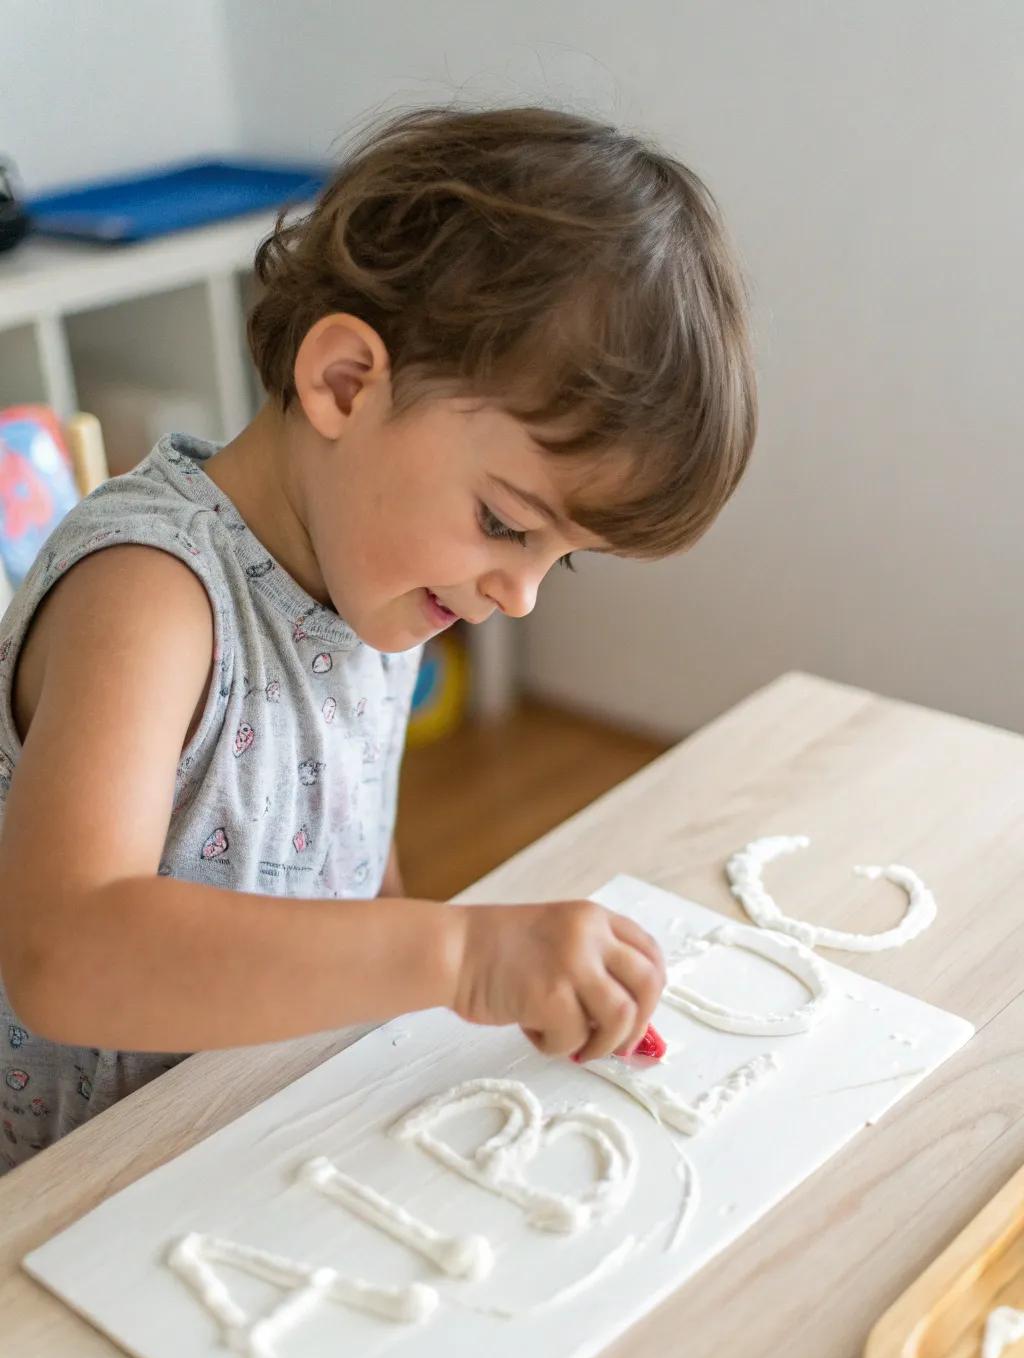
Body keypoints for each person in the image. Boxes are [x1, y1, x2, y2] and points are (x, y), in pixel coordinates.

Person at [0, 105, 756, 1172]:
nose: (521, 595)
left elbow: (350, 858)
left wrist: (411, 980)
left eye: (559, 556)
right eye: (505, 523)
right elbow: (64, 955)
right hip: (68, 1186)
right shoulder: (152, 595)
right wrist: (454, 953)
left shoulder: (376, 587)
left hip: (243, 1138)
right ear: (346, 382)